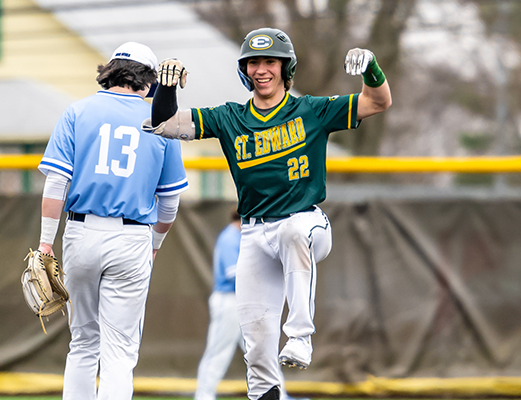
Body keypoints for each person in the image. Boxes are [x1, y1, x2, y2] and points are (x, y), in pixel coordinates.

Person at [144, 27, 392, 400]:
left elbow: (378, 102)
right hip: (255, 234)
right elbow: (164, 124)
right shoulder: (229, 118)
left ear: (285, 67)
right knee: (258, 349)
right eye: (254, 62)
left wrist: (371, 67)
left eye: (270, 61)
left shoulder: (310, 110)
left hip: (307, 222)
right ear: (245, 69)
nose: (261, 69)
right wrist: (166, 87)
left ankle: (300, 336)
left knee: (295, 232)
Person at [36, 41, 189, 400]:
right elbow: (169, 202)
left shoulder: (78, 111)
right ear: (149, 81)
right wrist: (154, 244)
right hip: (132, 238)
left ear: (111, 71)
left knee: (84, 343)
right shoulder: (160, 122)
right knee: (119, 351)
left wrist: (45, 243)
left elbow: (56, 182)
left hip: (80, 232)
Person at [195, 210, 306, 400]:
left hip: (243, 302)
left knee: (264, 351)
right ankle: (203, 397)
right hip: (228, 301)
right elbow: (233, 274)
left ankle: (281, 396)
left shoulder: (237, 236)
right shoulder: (229, 237)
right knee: (217, 353)